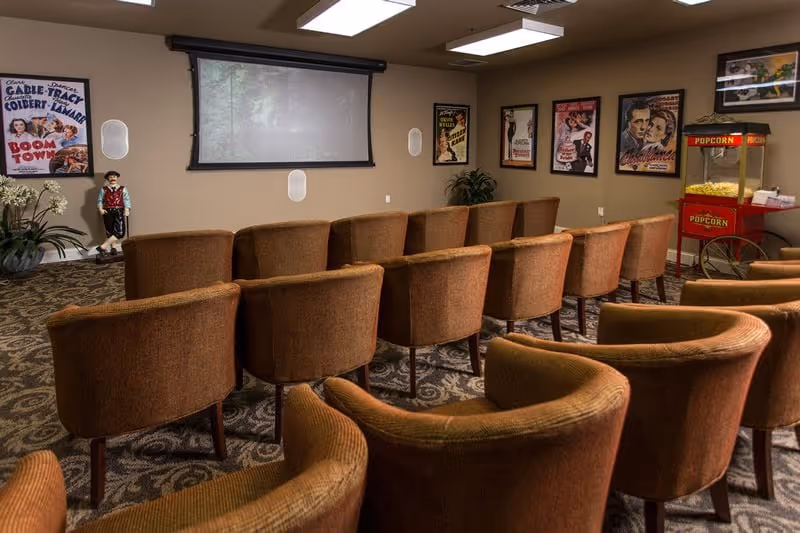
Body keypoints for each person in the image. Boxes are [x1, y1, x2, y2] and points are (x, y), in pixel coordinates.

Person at [96, 170, 131, 256]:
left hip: (119, 210)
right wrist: (100, 209)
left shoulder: (123, 189)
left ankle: (103, 246)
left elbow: (126, 199)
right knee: (110, 230)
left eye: (114, 177)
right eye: (110, 177)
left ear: (117, 178)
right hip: (107, 211)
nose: (113, 178)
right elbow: (100, 200)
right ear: (108, 179)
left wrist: (127, 209)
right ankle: (113, 248)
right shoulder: (104, 189)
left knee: (120, 232)